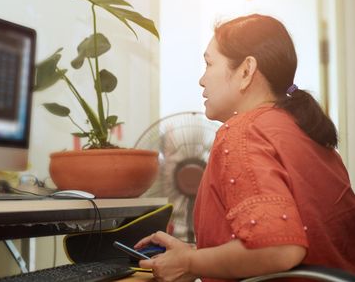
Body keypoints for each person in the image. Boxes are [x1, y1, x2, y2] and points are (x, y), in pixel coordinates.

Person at [135, 14, 355, 281]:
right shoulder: (305, 129)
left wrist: (190, 261)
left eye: (208, 64)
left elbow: (280, 249)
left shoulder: (243, 131)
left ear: (246, 71)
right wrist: (192, 259)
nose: (202, 80)